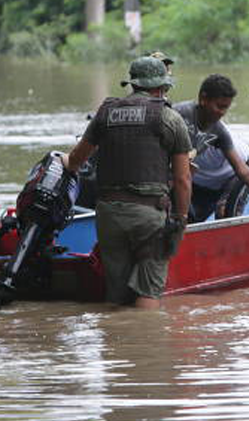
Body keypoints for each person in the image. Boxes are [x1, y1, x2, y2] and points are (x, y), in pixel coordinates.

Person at [64, 56, 193, 309]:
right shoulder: (169, 118)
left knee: (116, 291)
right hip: (149, 214)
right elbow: (182, 178)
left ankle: (116, 343)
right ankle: (143, 342)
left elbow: (76, 161)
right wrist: (182, 217)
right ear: (161, 87)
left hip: (109, 214)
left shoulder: (106, 113)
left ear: (133, 84)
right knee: (149, 288)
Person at [174, 74, 249, 221]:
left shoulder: (220, 132)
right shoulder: (179, 115)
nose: (222, 113)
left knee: (221, 213)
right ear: (203, 99)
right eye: (219, 106)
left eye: (226, 108)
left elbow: (243, 170)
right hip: (191, 178)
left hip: (228, 180)